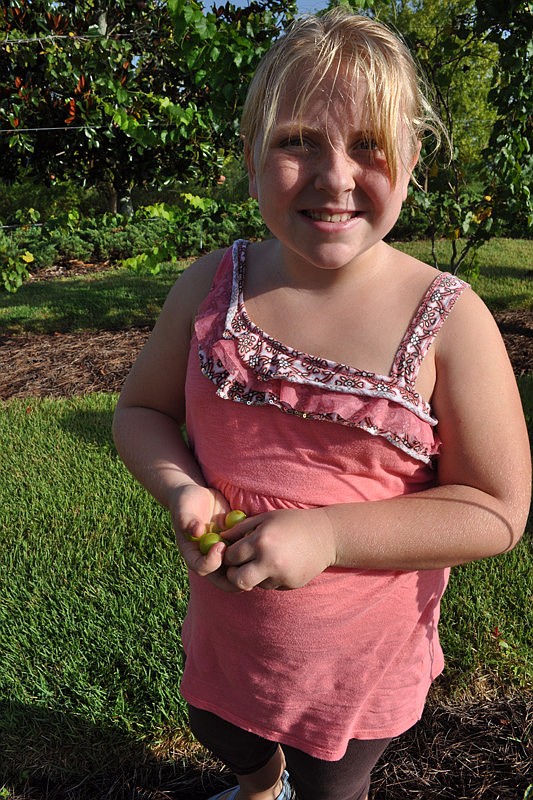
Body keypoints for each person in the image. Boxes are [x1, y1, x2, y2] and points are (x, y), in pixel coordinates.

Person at [112, 10, 531, 800]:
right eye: (297, 139)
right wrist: (180, 488)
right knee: (219, 726)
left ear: (412, 162)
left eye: (368, 145)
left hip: (356, 660)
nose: (334, 176)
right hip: (230, 627)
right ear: (249, 157)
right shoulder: (210, 286)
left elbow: (495, 509)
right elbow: (140, 410)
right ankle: (256, 782)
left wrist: (329, 533)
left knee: (333, 774)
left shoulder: (446, 318)